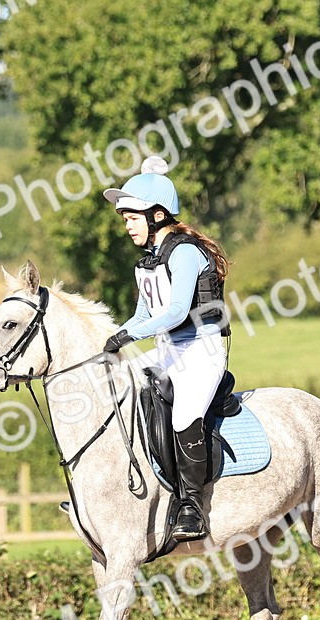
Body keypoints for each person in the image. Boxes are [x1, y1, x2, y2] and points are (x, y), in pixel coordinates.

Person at [101, 156, 231, 542]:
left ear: (157, 215)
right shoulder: (147, 263)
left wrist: (128, 338)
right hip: (167, 350)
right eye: (125, 218)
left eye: (131, 217)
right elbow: (143, 313)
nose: (126, 226)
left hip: (201, 350)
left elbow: (176, 313)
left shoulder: (185, 252)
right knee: (120, 390)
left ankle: (192, 507)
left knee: (183, 416)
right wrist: (109, 339)